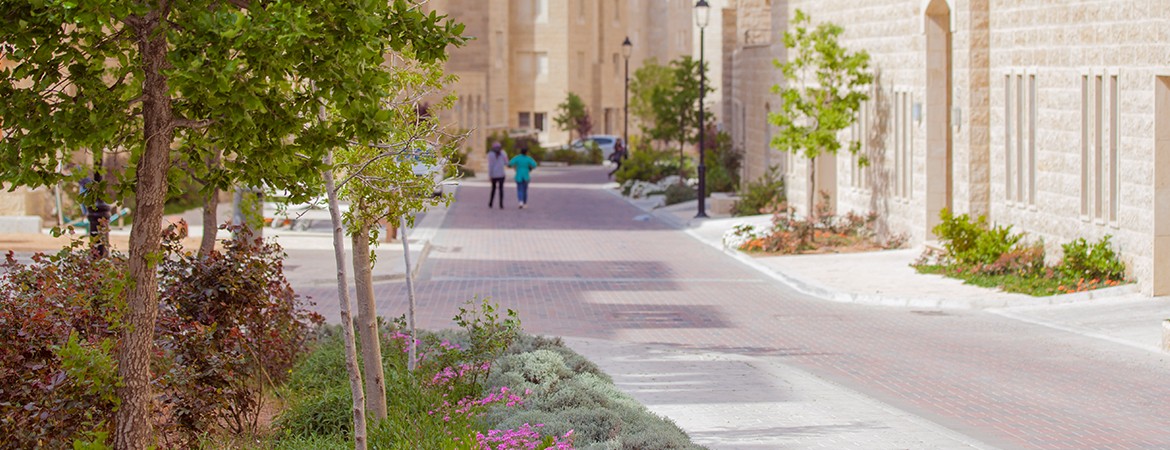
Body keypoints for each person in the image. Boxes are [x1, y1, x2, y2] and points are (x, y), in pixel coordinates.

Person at [487, 141, 508, 209]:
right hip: (501, 174)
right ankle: (501, 204)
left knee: (493, 189)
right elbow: (506, 163)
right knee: (501, 189)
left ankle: (491, 203)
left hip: (494, 174)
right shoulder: (503, 153)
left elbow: (490, 166)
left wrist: (490, 175)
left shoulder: (490, 154)